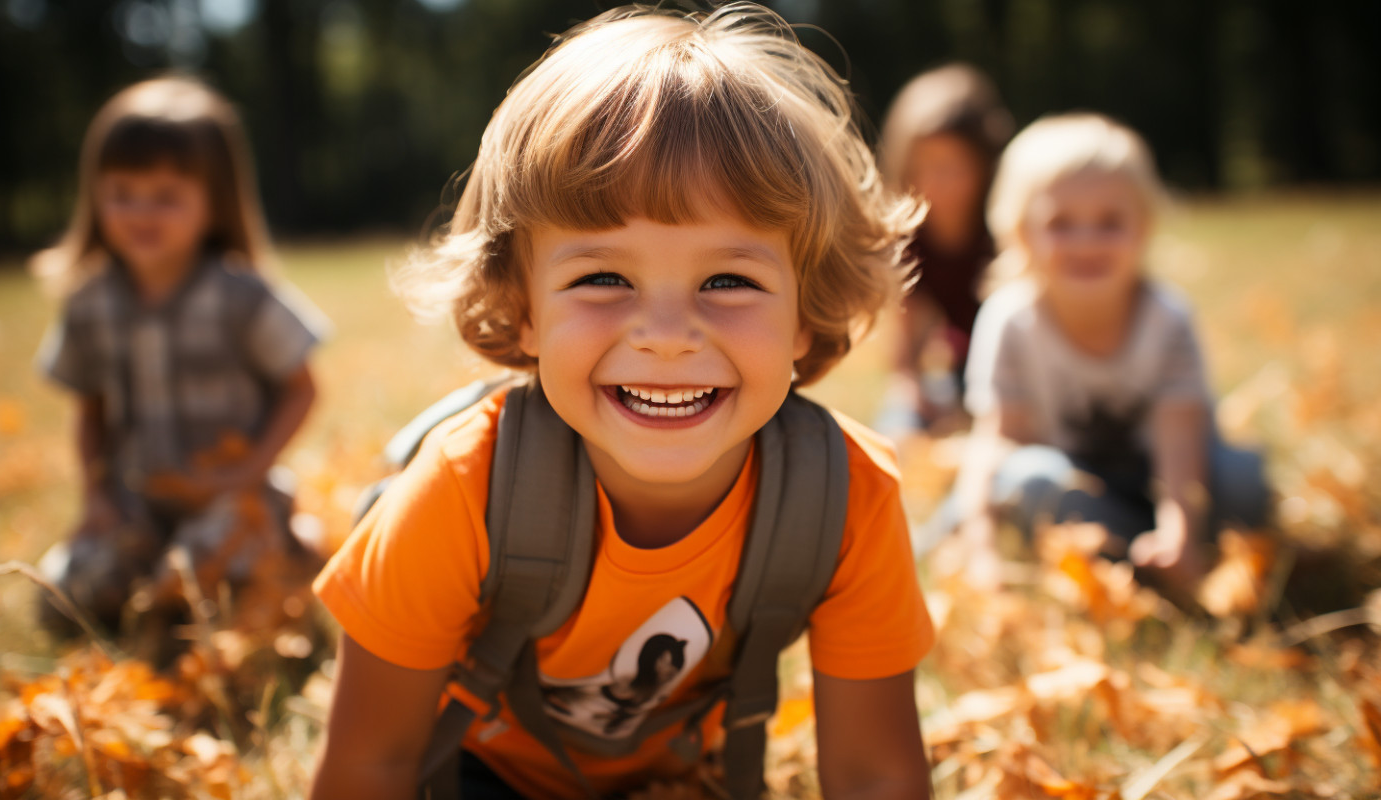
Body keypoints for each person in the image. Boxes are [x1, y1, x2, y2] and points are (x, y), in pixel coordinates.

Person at [309, 5, 935, 799]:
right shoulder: (461, 490)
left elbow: (875, 774)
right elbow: (371, 764)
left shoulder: (844, 497)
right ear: (521, 306)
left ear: (808, 315)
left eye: (728, 281)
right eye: (603, 278)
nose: (667, 336)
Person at [31, 77, 325, 637]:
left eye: (166, 197)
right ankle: (164, 571)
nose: (142, 212)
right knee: (63, 602)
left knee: (207, 587)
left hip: (228, 497)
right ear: (95, 196)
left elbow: (302, 387)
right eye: (122, 193)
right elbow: (89, 410)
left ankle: (288, 542)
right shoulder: (90, 301)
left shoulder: (241, 295)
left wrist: (249, 471)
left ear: (213, 202)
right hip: (137, 501)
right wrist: (96, 501)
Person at [941, 113, 1270, 592]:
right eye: (1061, 223)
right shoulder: (1009, 319)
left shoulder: (1167, 319)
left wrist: (1180, 530)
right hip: (1083, 485)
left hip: (1172, 477)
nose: (1086, 241)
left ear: (1144, 226)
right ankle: (1126, 555)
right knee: (1030, 481)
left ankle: (1173, 552)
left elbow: (1180, 437)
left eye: (1110, 222)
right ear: (1020, 231)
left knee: (1243, 479)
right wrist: (980, 543)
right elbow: (996, 441)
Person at [875, 64, 1014, 437]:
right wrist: (911, 389)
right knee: (898, 427)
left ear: (987, 167)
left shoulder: (1006, 231)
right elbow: (907, 355)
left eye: (957, 168)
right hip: (962, 374)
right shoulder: (909, 236)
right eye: (929, 168)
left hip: (1021, 375)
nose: (943, 184)